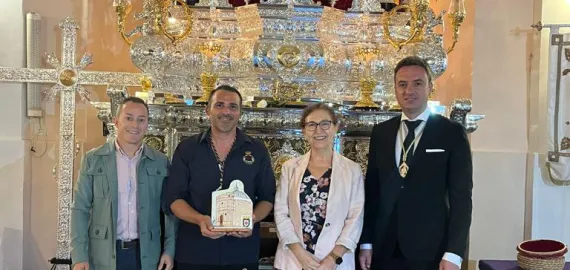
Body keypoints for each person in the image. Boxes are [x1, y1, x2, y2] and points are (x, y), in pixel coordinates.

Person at [358, 56, 473, 270]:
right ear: (395, 89)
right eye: (402, 84)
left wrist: (454, 253)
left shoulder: (451, 133)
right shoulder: (381, 133)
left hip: (430, 250)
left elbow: (461, 199)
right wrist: (366, 241)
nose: (408, 90)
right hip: (384, 248)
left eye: (417, 83)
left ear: (430, 87)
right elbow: (372, 192)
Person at [163, 85, 276, 270]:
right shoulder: (186, 149)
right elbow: (174, 198)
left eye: (233, 106)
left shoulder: (257, 149)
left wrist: (251, 219)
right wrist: (200, 219)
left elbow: (267, 198)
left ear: (240, 112)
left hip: (241, 252)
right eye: (219, 105)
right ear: (208, 110)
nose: (226, 111)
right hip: (194, 252)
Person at [70, 97, 177, 270]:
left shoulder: (160, 162)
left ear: (147, 124)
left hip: (147, 256)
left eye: (141, 120)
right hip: (103, 255)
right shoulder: (93, 160)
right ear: (116, 121)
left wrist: (169, 250)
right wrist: (79, 256)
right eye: (129, 118)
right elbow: (80, 209)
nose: (135, 125)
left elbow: (170, 211)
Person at [273, 103, 365, 270]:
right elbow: (281, 214)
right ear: (304, 131)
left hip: (335, 262)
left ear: (335, 127)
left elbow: (355, 219)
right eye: (311, 125)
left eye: (325, 124)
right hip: (294, 260)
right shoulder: (290, 167)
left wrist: (333, 258)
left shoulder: (352, 170)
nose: (318, 130)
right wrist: (300, 254)